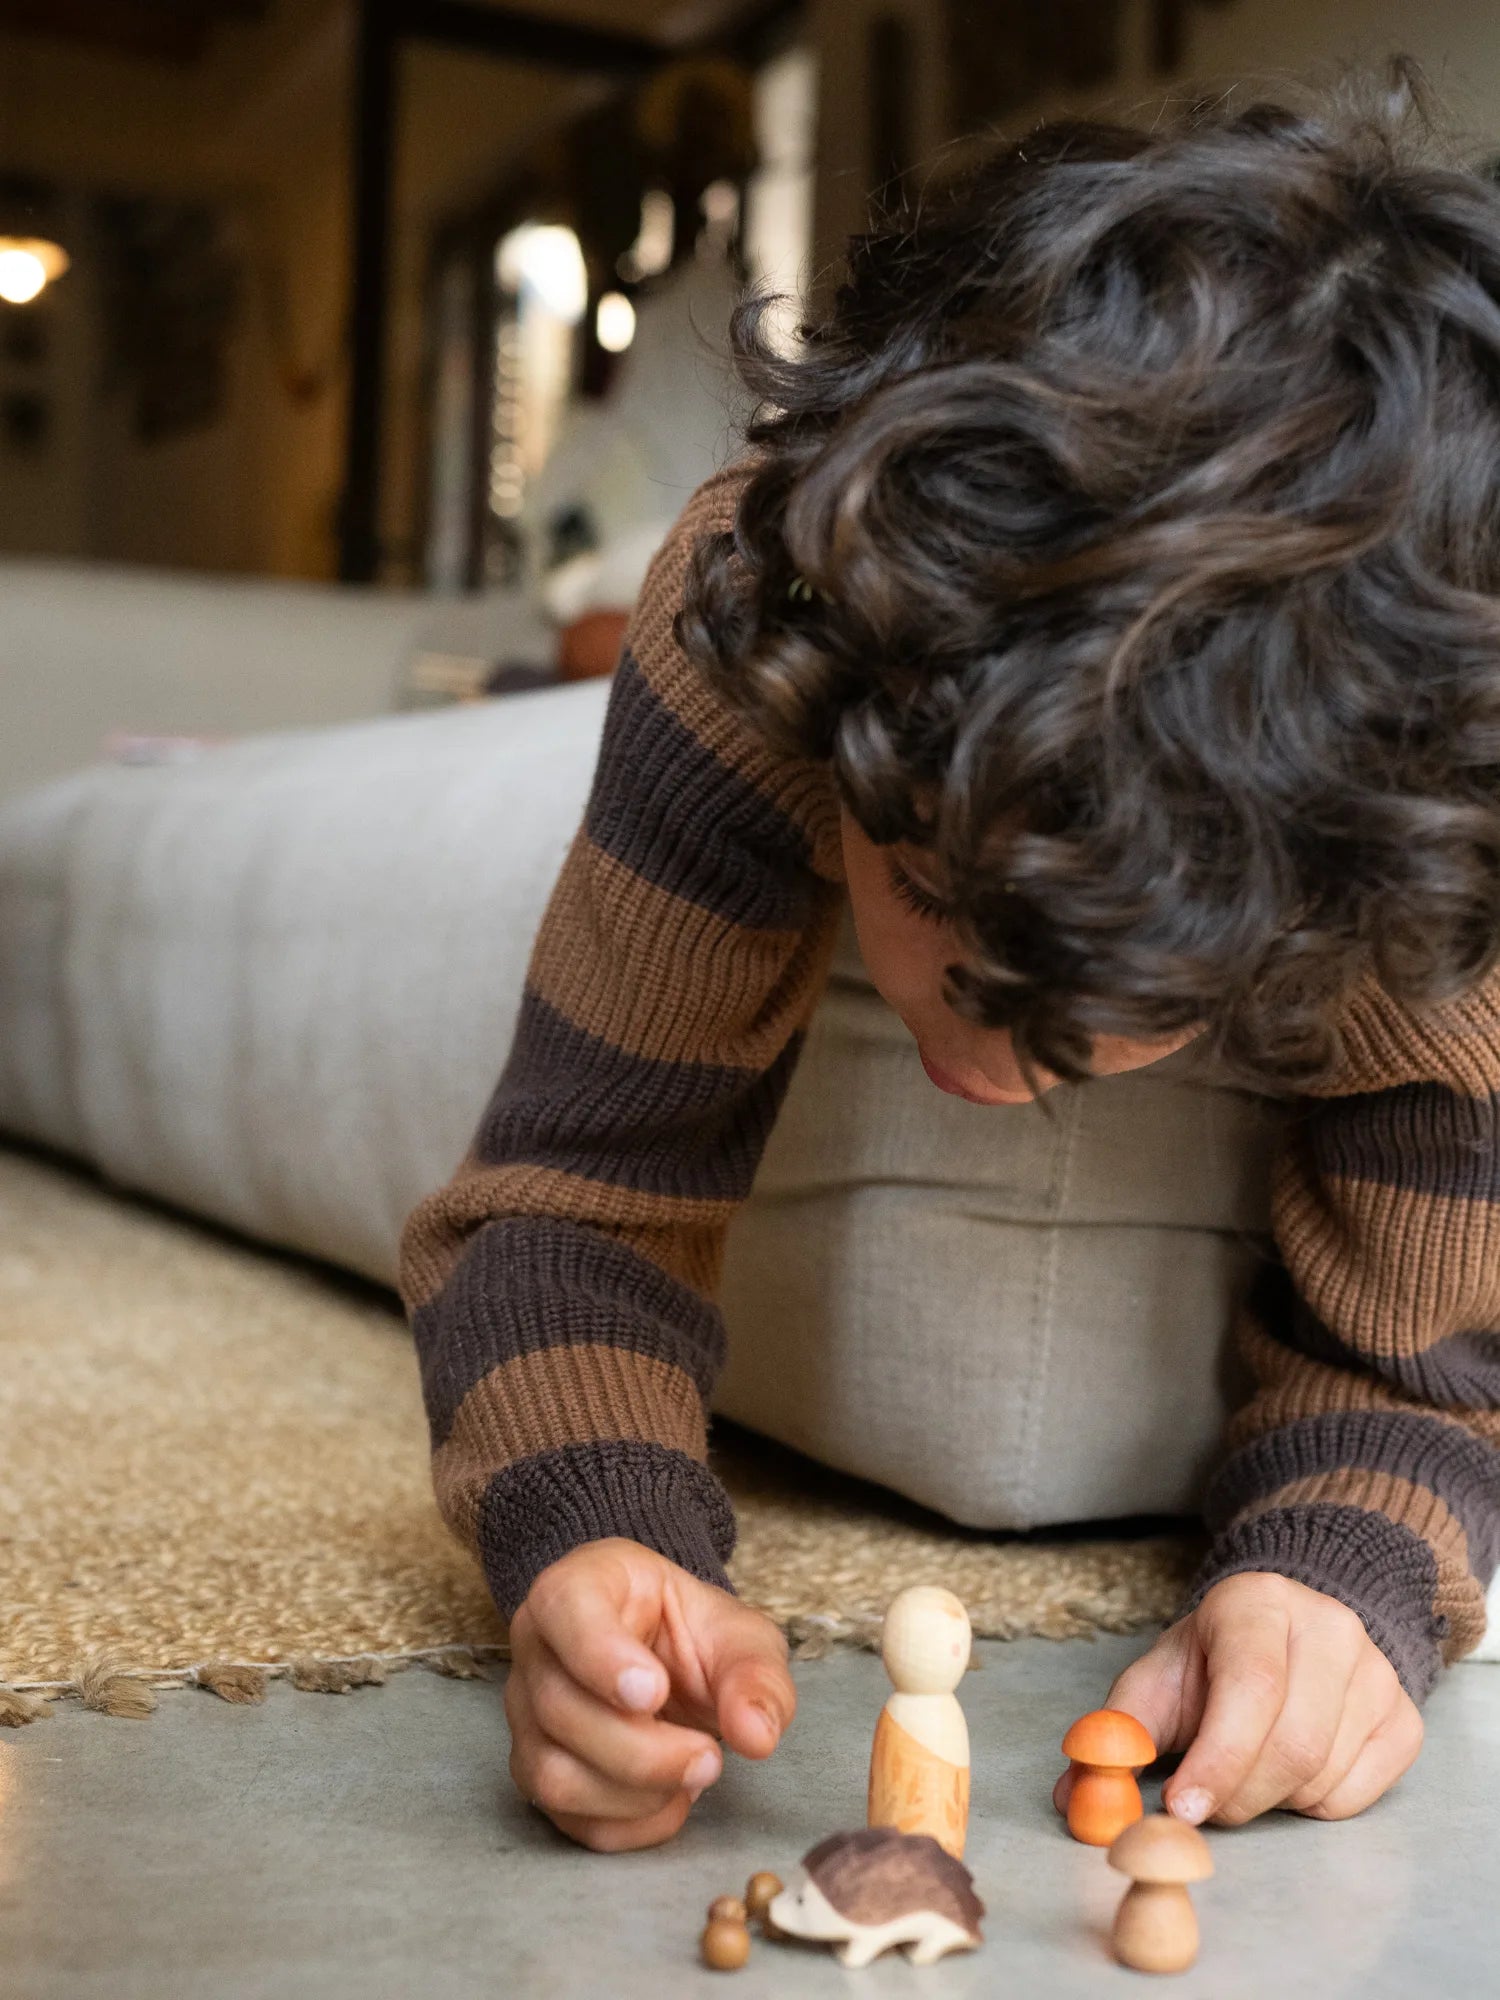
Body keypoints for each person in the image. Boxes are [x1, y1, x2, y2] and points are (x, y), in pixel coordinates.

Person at [400, 63, 1500, 1853]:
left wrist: (1342, 1572)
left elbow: (1429, 1361)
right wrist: (590, 1532)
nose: (996, 1068)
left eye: (1138, 1001)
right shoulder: (781, 592)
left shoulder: (1426, 815)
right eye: (938, 905)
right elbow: (572, 1197)